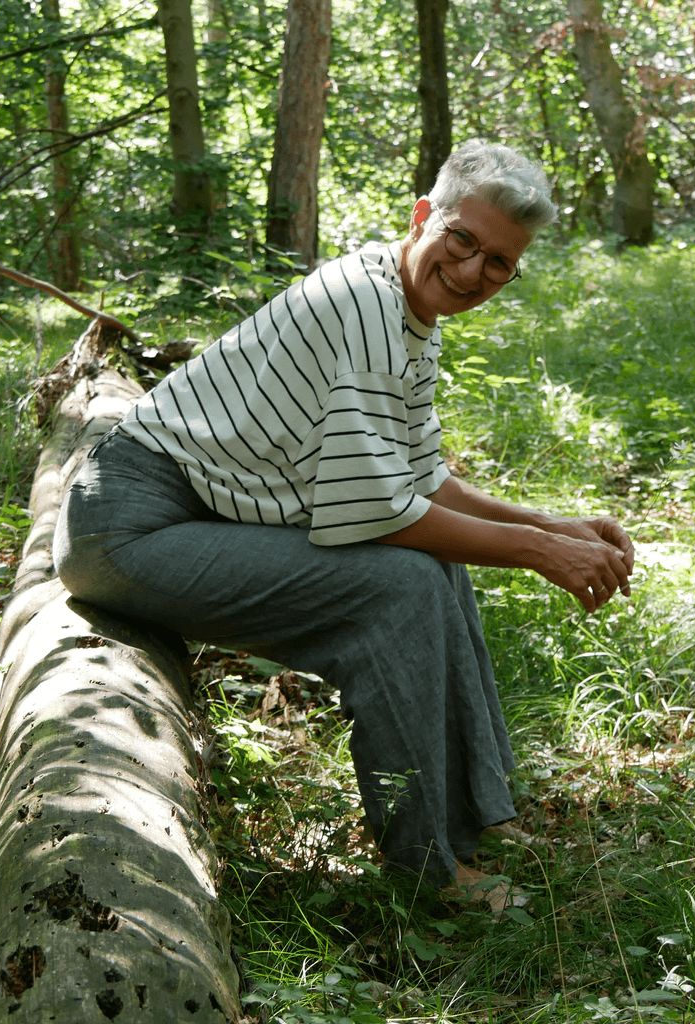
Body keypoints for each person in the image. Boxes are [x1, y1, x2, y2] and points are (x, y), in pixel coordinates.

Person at [53, 140, 634, 905]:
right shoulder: (362, 306)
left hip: (182, 511)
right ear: (425, 215)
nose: (470, 272)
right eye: (462, 240)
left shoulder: (406, 311)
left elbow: (422, 480)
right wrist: (536, 551)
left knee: (437, 563)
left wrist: (556, 526)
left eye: (497, 264)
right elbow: (384, 515)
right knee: (398, 586)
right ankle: (427, 871)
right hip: (125, 529)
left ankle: (478, 810)